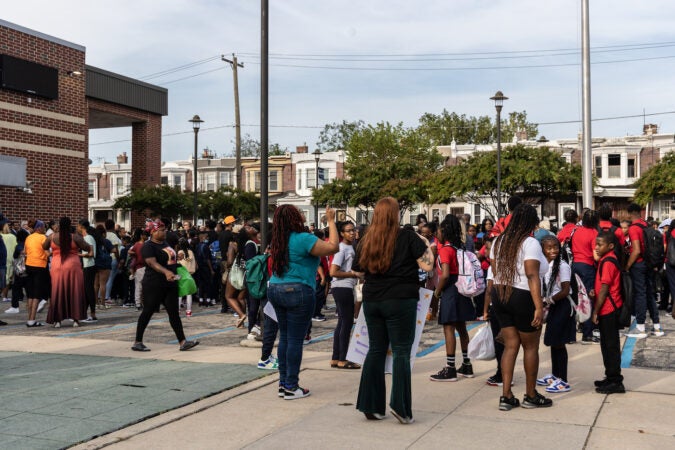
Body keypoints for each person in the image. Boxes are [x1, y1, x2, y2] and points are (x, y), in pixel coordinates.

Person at [355, 197, 434, 424]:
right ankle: (400, 406)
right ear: (396, 214)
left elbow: (359, 271)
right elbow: (427, 265)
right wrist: (424, 241)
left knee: (376, 350)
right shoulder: (407, 236)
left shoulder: (367, 239)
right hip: (401, 299)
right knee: (401, 352)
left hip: (373, 300)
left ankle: (370, 404)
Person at [268, 205, 339, 400]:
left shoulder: (279, 240)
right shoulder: (303, 239)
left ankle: (283, 383)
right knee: (295, 340)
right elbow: (333, 247)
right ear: (294, 218)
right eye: (299, 212)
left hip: (275, 288)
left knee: (284, 337)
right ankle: (291, 385)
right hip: (298, 290)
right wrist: (331, 220)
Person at [490, 203, 552, 411]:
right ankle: (531, 395)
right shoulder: (530, 243)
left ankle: (506, 396)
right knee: (531, 347)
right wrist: (538, 306)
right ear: (531, 223)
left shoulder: (498, 241)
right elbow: (532, 274)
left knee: (510, 345)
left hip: (500, 294)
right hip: (522, 294)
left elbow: (495, 269)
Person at [131, 220, 199, 352]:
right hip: (154, 283)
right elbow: (151, 263)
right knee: (148, 311)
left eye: (164, 229)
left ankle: (183, 342)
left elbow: (168, 258)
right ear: (153, 232)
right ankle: (137, 341)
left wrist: (176, 259)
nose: (165, 232)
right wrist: (166, 271)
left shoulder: (165, 243)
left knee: (174, 313)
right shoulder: (148, 246)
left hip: (169, 283)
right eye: (162, 230)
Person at [430, 215, 476, 382]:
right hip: (462, 288)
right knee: (461, 328)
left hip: (450, 289)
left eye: (439, 231)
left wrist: (437, 293)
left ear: (445, 231)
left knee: (448, 328)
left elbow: (445, 274)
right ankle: (466, 364)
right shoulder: (460, 248)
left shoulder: (445, 250)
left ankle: (450, 368)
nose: (437, 234)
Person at [536, 235, 574, 393]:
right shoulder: (546, 265)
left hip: (562, 305)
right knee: (553, 341)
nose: (553, 250)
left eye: (555, 247)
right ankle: (555, 375)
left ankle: (563, 380)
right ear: (542, 249)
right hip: (553, 305)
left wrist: (548, 300)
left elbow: (565, 290)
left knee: (559, 342)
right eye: (549, 248)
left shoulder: (562, 266)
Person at [591, 231, 626, 394]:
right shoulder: (605, 260)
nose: (596, 247)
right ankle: (610, 376)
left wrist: (596, 311)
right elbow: (601, 286)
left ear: (610, 246)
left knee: (611, 345)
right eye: (596, 244)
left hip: (609, 309)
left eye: (600, 244)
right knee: (606, 344)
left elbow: (605, 288)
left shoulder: (609, 262)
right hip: (606, 307)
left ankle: (616, 381)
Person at [625, 203, 662, 338]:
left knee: (640, 294)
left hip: (639, 264)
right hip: (649, 263)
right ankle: (657, 326)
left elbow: (636, 250)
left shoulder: (634, 228)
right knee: (649, 293)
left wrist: (627, 266)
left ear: (630, 214)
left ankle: (640, 327)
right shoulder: (646, 225)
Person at [44, 217, 89, 327]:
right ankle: (75, 320)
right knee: (75, 291)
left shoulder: (52, 236)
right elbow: (86, 247)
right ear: (69, 225)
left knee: (57, 292)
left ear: (59, 225)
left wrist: (49, 254)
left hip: (57, 265)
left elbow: (44, 247)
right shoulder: (75, 237)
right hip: (73, 265)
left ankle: (57, 321)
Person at [329, 221, 362, 369]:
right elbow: (333, 271)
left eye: (353, 230)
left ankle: (336, 358)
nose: (352, 233)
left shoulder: (350, 247)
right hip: (342, 287)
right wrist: (353, 273)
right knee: (346, 323)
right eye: (348, 231)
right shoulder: (342, 248)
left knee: (342, 323)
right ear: (341, 234)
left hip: (345, 287)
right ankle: (343, 358)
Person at [571, 209, 600, 344]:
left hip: (575, 265)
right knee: (588, 299)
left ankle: (574, 331)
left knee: (576, 298)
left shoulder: (576, 231)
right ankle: (587, 334)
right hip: (588, 267)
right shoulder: (594, 233)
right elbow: (595, 255)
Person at [24, 220, 49, 327]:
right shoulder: (43, 238)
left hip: (28, 265)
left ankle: (29, 318)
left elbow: (25, 252)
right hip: (39, 266)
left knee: (30, 294)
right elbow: (48, 252)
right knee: (36, 295)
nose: (44, 229)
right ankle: (32, 320)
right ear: (39, 228)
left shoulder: (28, 237)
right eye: (43, 227)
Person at [77, 220, 97, 322]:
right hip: (88, 266)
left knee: (89, 290)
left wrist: (78, 254)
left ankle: (92, 314)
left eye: (78, 226)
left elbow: (91, 253)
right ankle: (85, 313)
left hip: (89, 266)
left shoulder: (88, 238)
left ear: (81, 227)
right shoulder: (87, 238)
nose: (77, 228)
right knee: (87, 290)